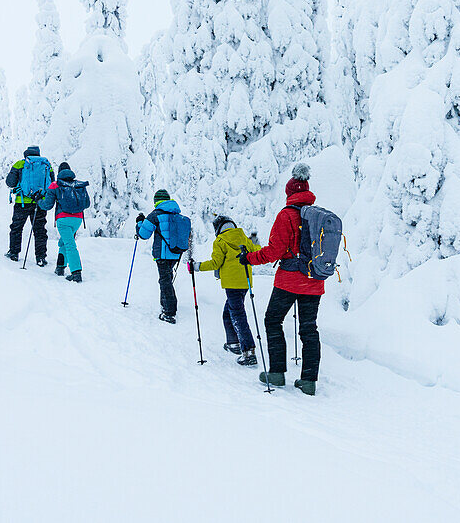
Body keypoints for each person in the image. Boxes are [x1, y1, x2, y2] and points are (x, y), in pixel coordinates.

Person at [240, 163, 322, 396]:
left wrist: (248, 258)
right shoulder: (318, 216)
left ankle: (277, 373)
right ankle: (308, 381)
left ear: (289, 194)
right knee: (309, 330)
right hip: (314, 281)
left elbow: (274, 252)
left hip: (288, 281)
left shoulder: (286, 216)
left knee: (273, 321)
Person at [192, 215, 261, 367]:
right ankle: (233, 343)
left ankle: (248, 351)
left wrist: (197, 266)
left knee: (237, 315)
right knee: (229, 312)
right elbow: (256, 251)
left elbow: (216, 263)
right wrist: (255, 242)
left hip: (232, 284)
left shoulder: (220, 241)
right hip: (245, 282)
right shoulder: (243, 237)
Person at [136, 189, 188, 324]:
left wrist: (140, 222)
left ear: (156, 201)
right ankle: (165, 304)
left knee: (165, 281)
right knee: (167, 279)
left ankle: (169, 312)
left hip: (162, 254)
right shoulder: (176, 214)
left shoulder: (155, 215)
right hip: (175, 253)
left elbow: (143, 234)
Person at [38, 162, 89, 283]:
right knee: (64, 242)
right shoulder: (78, 184)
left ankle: (76, 273)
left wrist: (39, 200)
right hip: (77, 219)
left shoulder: (55, 185)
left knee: (70, 245)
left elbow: (47, 205)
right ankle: (60, 268)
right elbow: (87, 204)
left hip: (63, 219)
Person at [4, 146, 54, 265]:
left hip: (22, 202)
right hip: (39, 202)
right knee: (40, 230)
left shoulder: (20, 164)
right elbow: (52, 182)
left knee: (16, 228)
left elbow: (10, 182)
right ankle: (41, 257)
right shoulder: (46, 165)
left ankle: (14, 253)